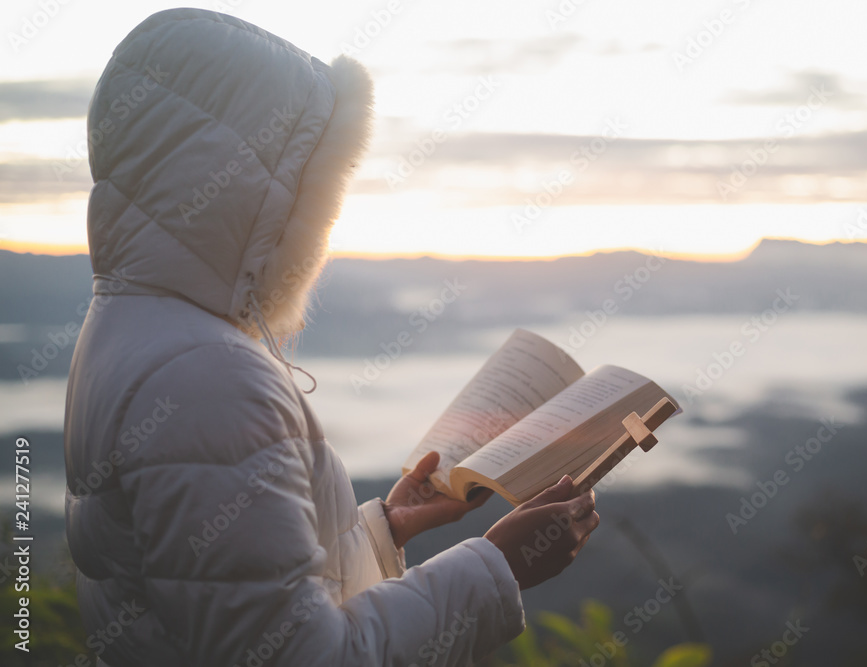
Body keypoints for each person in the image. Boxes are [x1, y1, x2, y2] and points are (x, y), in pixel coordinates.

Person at [63, 8, 599, 667]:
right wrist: (498, 565)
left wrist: (384, 526)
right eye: (316, 196)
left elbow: (223, 593)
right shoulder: (207, 378)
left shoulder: (131, 322)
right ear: (256, 197)